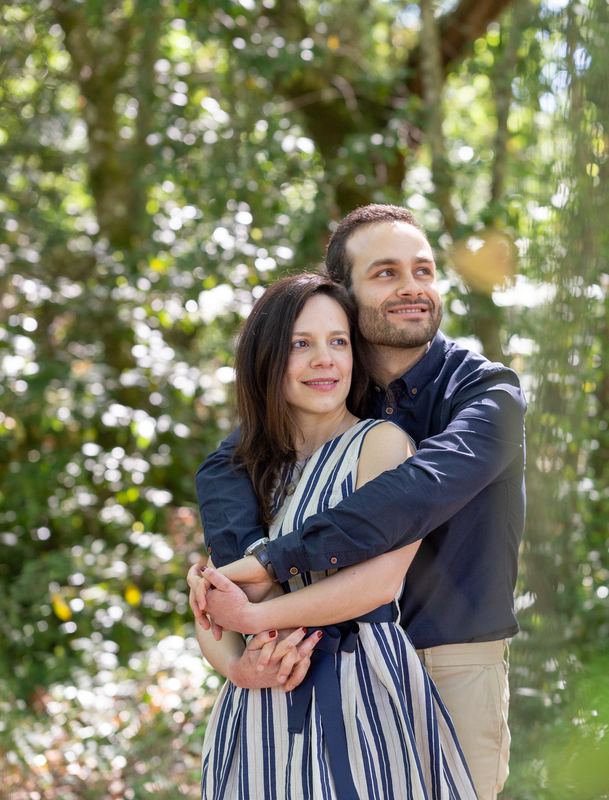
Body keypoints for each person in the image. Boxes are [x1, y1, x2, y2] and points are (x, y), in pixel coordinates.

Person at [192, 205, 526, 800]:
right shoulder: (330, 392)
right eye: (386, 273)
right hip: (320, 660)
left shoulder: (484, 393)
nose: (411, 288)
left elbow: (416, 492)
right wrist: (240, 604)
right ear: (344, 293)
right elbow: (229, 469)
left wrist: (272, 565)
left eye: (423, 271)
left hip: (452, 660)